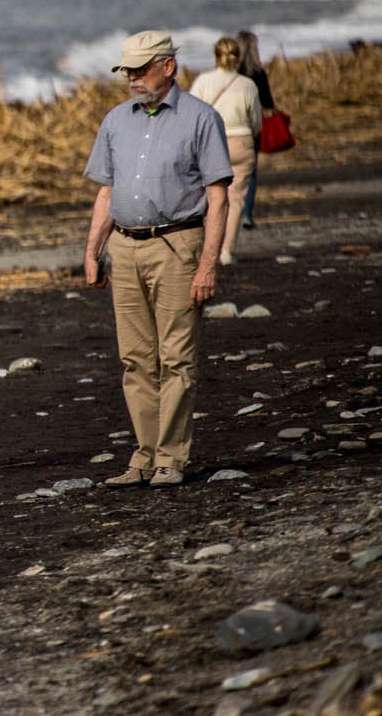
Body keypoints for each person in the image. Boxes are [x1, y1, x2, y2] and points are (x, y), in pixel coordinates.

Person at [81, 30, 232, 489]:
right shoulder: (115, 121)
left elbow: (218, 197)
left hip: (178, 248)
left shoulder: (201, 119)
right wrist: (92, 251)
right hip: (125, 249)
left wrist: (208, 265)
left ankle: (171, 459)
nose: (132, 78)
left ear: (168, 66)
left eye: (140, 69)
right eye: (127, 70)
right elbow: (106, 191)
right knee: (135, 359)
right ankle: (144, 457)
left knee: (176, 357)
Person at [189, 37, 263, 267]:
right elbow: (256, 122)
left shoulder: (203, 81)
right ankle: (226, 251)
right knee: (235, 199)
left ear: (215, 56)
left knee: (206, 197)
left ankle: (204, 248)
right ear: (238, 58)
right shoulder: (248, 85)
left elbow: (191, 115)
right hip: (241, 141)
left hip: (211, 143)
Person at [235, 30, 275, 230]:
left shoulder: (232, 72)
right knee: (250, 173)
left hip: (229, 128)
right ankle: (246, 214)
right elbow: (268, 102)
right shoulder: (259, 73)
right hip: (251, 129)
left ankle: (230, 210)